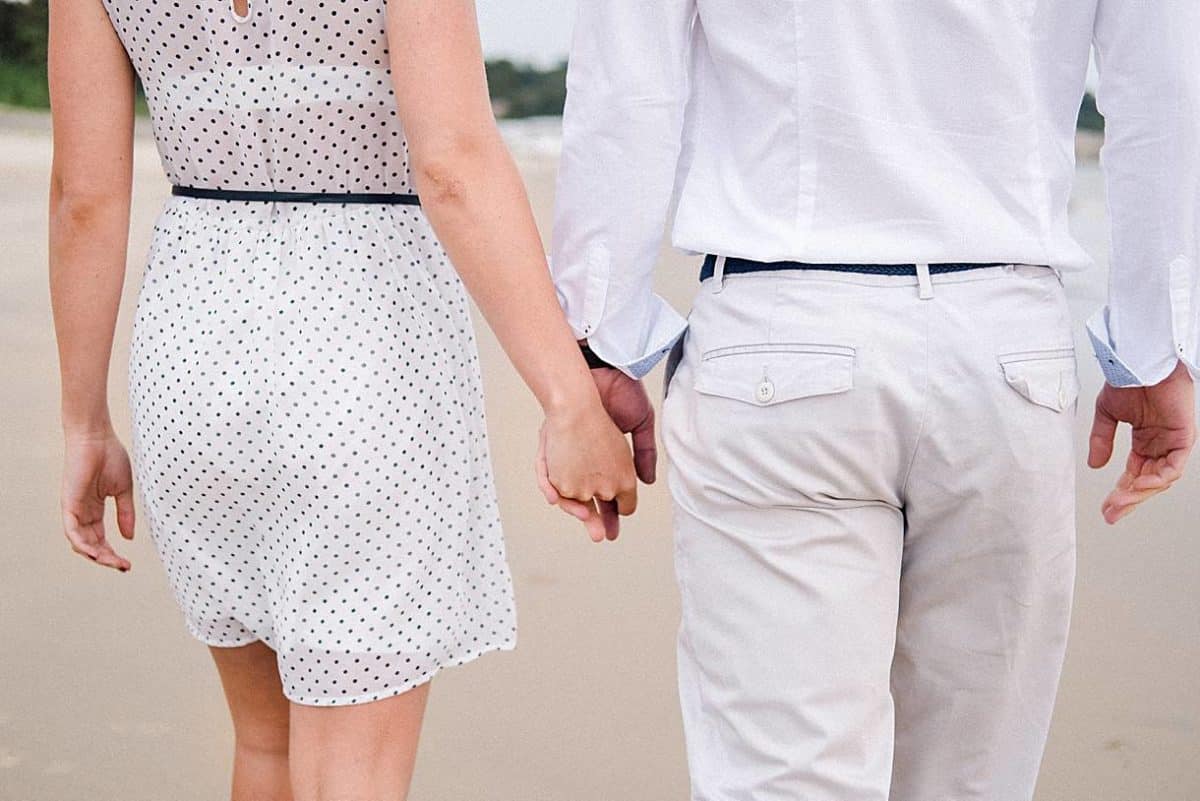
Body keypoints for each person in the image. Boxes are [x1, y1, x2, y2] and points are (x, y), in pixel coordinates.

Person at [549, 0, 1198, 799]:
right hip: (1004, 349)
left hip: (778, 337)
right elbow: (1160, 90)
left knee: (784, 781)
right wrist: (1152, 347)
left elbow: (629, 87)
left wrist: (600, 341)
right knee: (972, 781)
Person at [47, 0, 638, 798]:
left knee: (265, 747)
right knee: (351, 774)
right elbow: (453, 162)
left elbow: (84, 196)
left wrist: (85, 421)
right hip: (363, 348)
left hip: (191, 351)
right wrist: (570, 401)